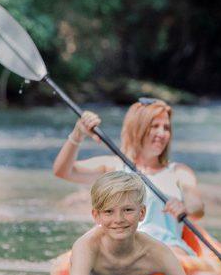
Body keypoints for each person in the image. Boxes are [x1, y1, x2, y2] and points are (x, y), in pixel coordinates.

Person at [53, 99, 204, 254]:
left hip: (166, 249)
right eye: (154, 126)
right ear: (137, 129)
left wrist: (184, 207)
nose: (162, 133)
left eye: (166, 128)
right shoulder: (113, 166)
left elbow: (197, 206)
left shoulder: (178, 171)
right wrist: (77, 134)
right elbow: (63, 171)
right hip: (120, 245)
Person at [60, 170, 208, 275]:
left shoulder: (157, 252)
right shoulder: (86, 247)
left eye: (128, 210)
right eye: (109, 212)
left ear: (142, 213)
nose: (119, 219)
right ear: (96, 216)